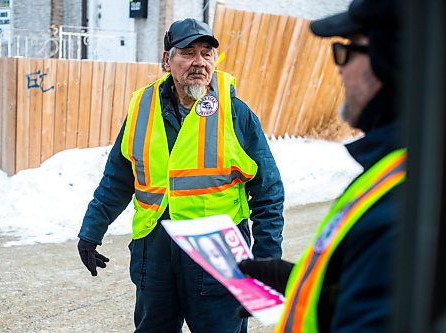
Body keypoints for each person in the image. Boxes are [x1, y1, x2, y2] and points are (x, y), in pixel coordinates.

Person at [77, 18, 285, 333]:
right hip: (154, 251)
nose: (199, 62)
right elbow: (118, 177)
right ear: (167, 60)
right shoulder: (141, 109)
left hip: (218, 253)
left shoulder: (236, 113)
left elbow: (268, 192)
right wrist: (92, 230)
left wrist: (266, 263)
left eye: (207, 53)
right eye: (188, 52)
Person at [239, 0, 405, 331]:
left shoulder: (405, 200)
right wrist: (297, 281)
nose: (339, 68)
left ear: (390, 59)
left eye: (346, 50)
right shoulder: (393, 170)